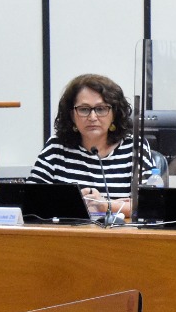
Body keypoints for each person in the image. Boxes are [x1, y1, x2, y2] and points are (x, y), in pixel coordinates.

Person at [28, 73, 154, 219]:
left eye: (101, 109)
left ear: (114, 113)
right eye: (84, 109)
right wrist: (73, 202)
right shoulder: (57, 147)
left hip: (122, 238)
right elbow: (31, 200)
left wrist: (104, 205)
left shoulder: (134, 147)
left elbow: (151, 205)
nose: (92, 117)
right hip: (68, 237)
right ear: (71, 114)